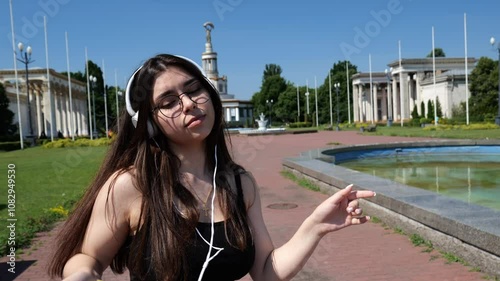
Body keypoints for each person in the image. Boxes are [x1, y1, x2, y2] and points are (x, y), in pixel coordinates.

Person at [48, 54, 375, 281]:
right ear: (149, 123)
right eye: (168, 102)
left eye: (193, 90)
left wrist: (314, 226)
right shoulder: (132, 186)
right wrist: (81, 274)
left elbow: (264, 272)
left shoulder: (239, 183)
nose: (188, 103)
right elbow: (89, 257)